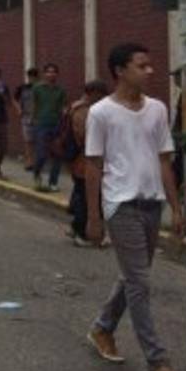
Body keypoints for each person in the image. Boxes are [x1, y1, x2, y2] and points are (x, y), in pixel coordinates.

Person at [84, 43, 186, 371]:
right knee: (140, 282)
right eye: (141, 65)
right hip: (120, 204)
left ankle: (103, 327)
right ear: (119, 70)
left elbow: (164, 160)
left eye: (149, 64)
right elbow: (94, 166)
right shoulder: (100, 113)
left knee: (133, 276)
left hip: (151, 204)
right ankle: (158, 362)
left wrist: (176, 206)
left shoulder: (157, 109)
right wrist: (94, 217)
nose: (150, 71)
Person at [66, 80, 109, 247]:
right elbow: (86, 137)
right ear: (93, 93)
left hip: (81, 161)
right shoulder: (84, 111)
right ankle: (83, 232)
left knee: (81, 195)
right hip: (84, 161)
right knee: (87, 197)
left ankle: (77, 227)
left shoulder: (79, 108)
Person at [31, 63, 67, 193]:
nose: (51, 74)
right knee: (41, 154)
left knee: (57, 155)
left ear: (57, 74)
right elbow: (34, 105)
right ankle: (36, 173)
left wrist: (64, 116)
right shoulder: (38, 88)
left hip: (57, 125)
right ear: (44, 74)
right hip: (41, 124)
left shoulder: (61, 90)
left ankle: (53, 182)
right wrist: (33, 121)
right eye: (48, 72)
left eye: (54, 72)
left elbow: (63, 107)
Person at [15, 67, 39, 169]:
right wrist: (19, 109)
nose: (32, 79)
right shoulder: (22, 88)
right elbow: (14, 99)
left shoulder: (40, 88)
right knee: (28, 141)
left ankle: (37, 161)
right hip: (26, 117)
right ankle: (29, 162)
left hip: (38, 117)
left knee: (38, 140)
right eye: (30, 77)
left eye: (34, 77)